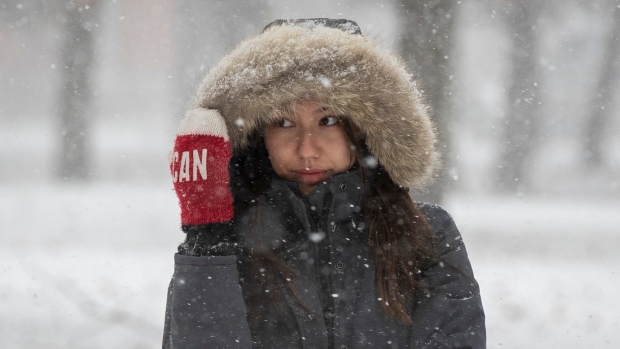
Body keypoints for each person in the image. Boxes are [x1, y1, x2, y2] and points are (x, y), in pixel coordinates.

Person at [163, 18, 485, 349]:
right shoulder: (224, 246)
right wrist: (207, 237)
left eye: (327, 120)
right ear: (259, 135)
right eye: (284, 122)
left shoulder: (428, 235)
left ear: (363, 129)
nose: (307, 148)